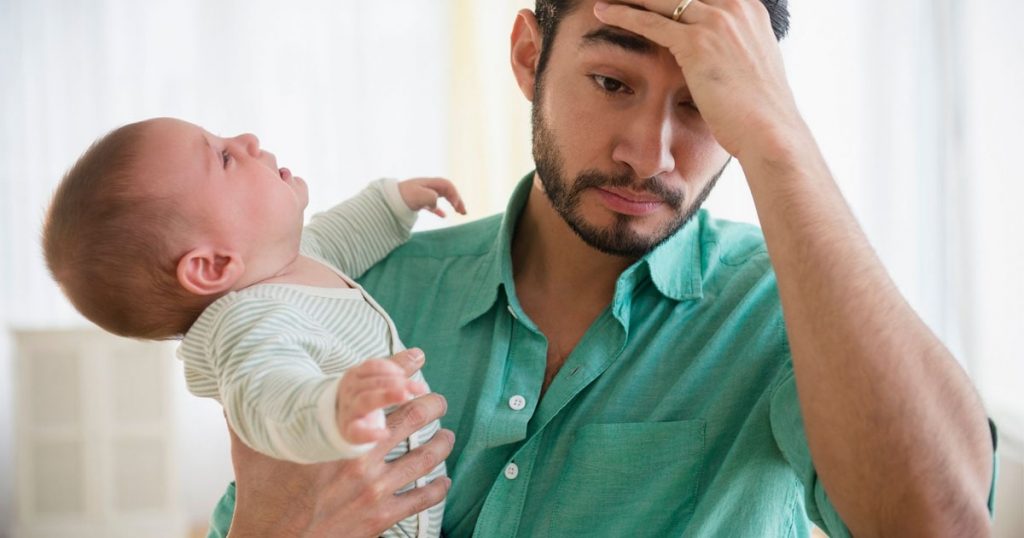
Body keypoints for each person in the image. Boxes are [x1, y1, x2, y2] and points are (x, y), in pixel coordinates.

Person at [212, 0, 999, 536]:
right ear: (529, 57)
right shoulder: (364, 295)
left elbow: (944, 524)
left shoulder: (788, 316)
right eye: (612, 83)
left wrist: (781, 143)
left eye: (704, 102)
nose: (647, 155)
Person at [42, 117, 465, 538]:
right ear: (213, 265)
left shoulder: (290, 265)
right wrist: (333, 408)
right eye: (224, 157)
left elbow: (337, 237)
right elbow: (272, 401)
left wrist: (391, 205)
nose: (247, 139)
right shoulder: (246, 325)